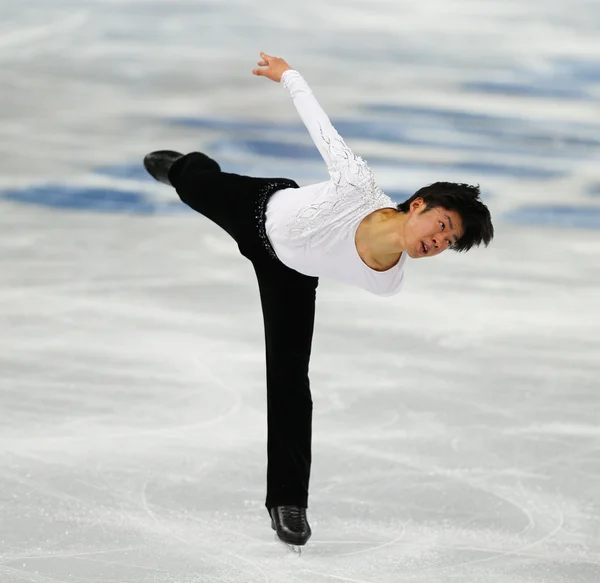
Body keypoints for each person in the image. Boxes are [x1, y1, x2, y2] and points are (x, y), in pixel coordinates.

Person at [143, 52, 494, 547]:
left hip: (288, 274)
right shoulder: (356, 185)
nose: (438, 242)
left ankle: (288, 502)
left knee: (289, 379)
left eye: (448, 243)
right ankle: (183, 165)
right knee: (197, 184)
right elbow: (319, 124)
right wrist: (288, 75)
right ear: (418, 205)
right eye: (441, 226)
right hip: (257, 210)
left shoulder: (388, 280)